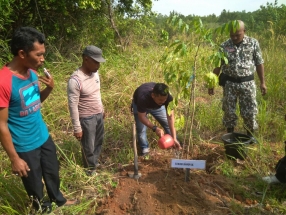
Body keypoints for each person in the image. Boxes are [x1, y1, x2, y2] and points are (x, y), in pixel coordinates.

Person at [0, 27, 76, 212]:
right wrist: (14, 158)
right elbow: (1, 124)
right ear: (22, 53)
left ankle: (59, 200)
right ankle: (43, 208)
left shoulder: (32, 73)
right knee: (33, 183)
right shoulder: (3, 82)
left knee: (52, 172)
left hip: (42, 135)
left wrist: (48, 89)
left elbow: (33, 103)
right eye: (39, 54)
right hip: (24, 144)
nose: (43, 59)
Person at [208, 20, 266, 137]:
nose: (234, 37)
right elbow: (218, 65)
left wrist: (262, 83)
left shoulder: (253, 43)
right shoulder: (224, 46)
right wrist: (211, 84)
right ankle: (230, 135)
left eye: (237, 34)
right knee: (229, 111)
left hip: (248, 83)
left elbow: (259, 63)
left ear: (244, 31)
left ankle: (250, 135)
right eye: (232, 34)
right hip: (230, 84)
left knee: (250, 111)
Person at [67, 45, 105, 176]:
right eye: (95, 62)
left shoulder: (95, 73)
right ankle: (90, 170)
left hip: (99, 114)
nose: (98, 65)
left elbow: (97, 93)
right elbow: (73, 105)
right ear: (86, 59)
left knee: (98, 142)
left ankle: (94, 163)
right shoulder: (75, 80)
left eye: (99, 62)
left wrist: (102, 108)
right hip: (87, 118)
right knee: (88, 146)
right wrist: (77, 127)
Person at [132, 82, 181, 156]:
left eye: (165, 100)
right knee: (141, 129)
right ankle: (145, 149)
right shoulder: (143, 97)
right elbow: (142, 117)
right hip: (139, 106)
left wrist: (174, 137)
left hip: (157, 107)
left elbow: (170, 117)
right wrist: (155, 128)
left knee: (166, 123)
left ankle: (174, 142)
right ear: (153, 95)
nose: (163, 102)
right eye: (161, 100)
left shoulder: (169, 98)